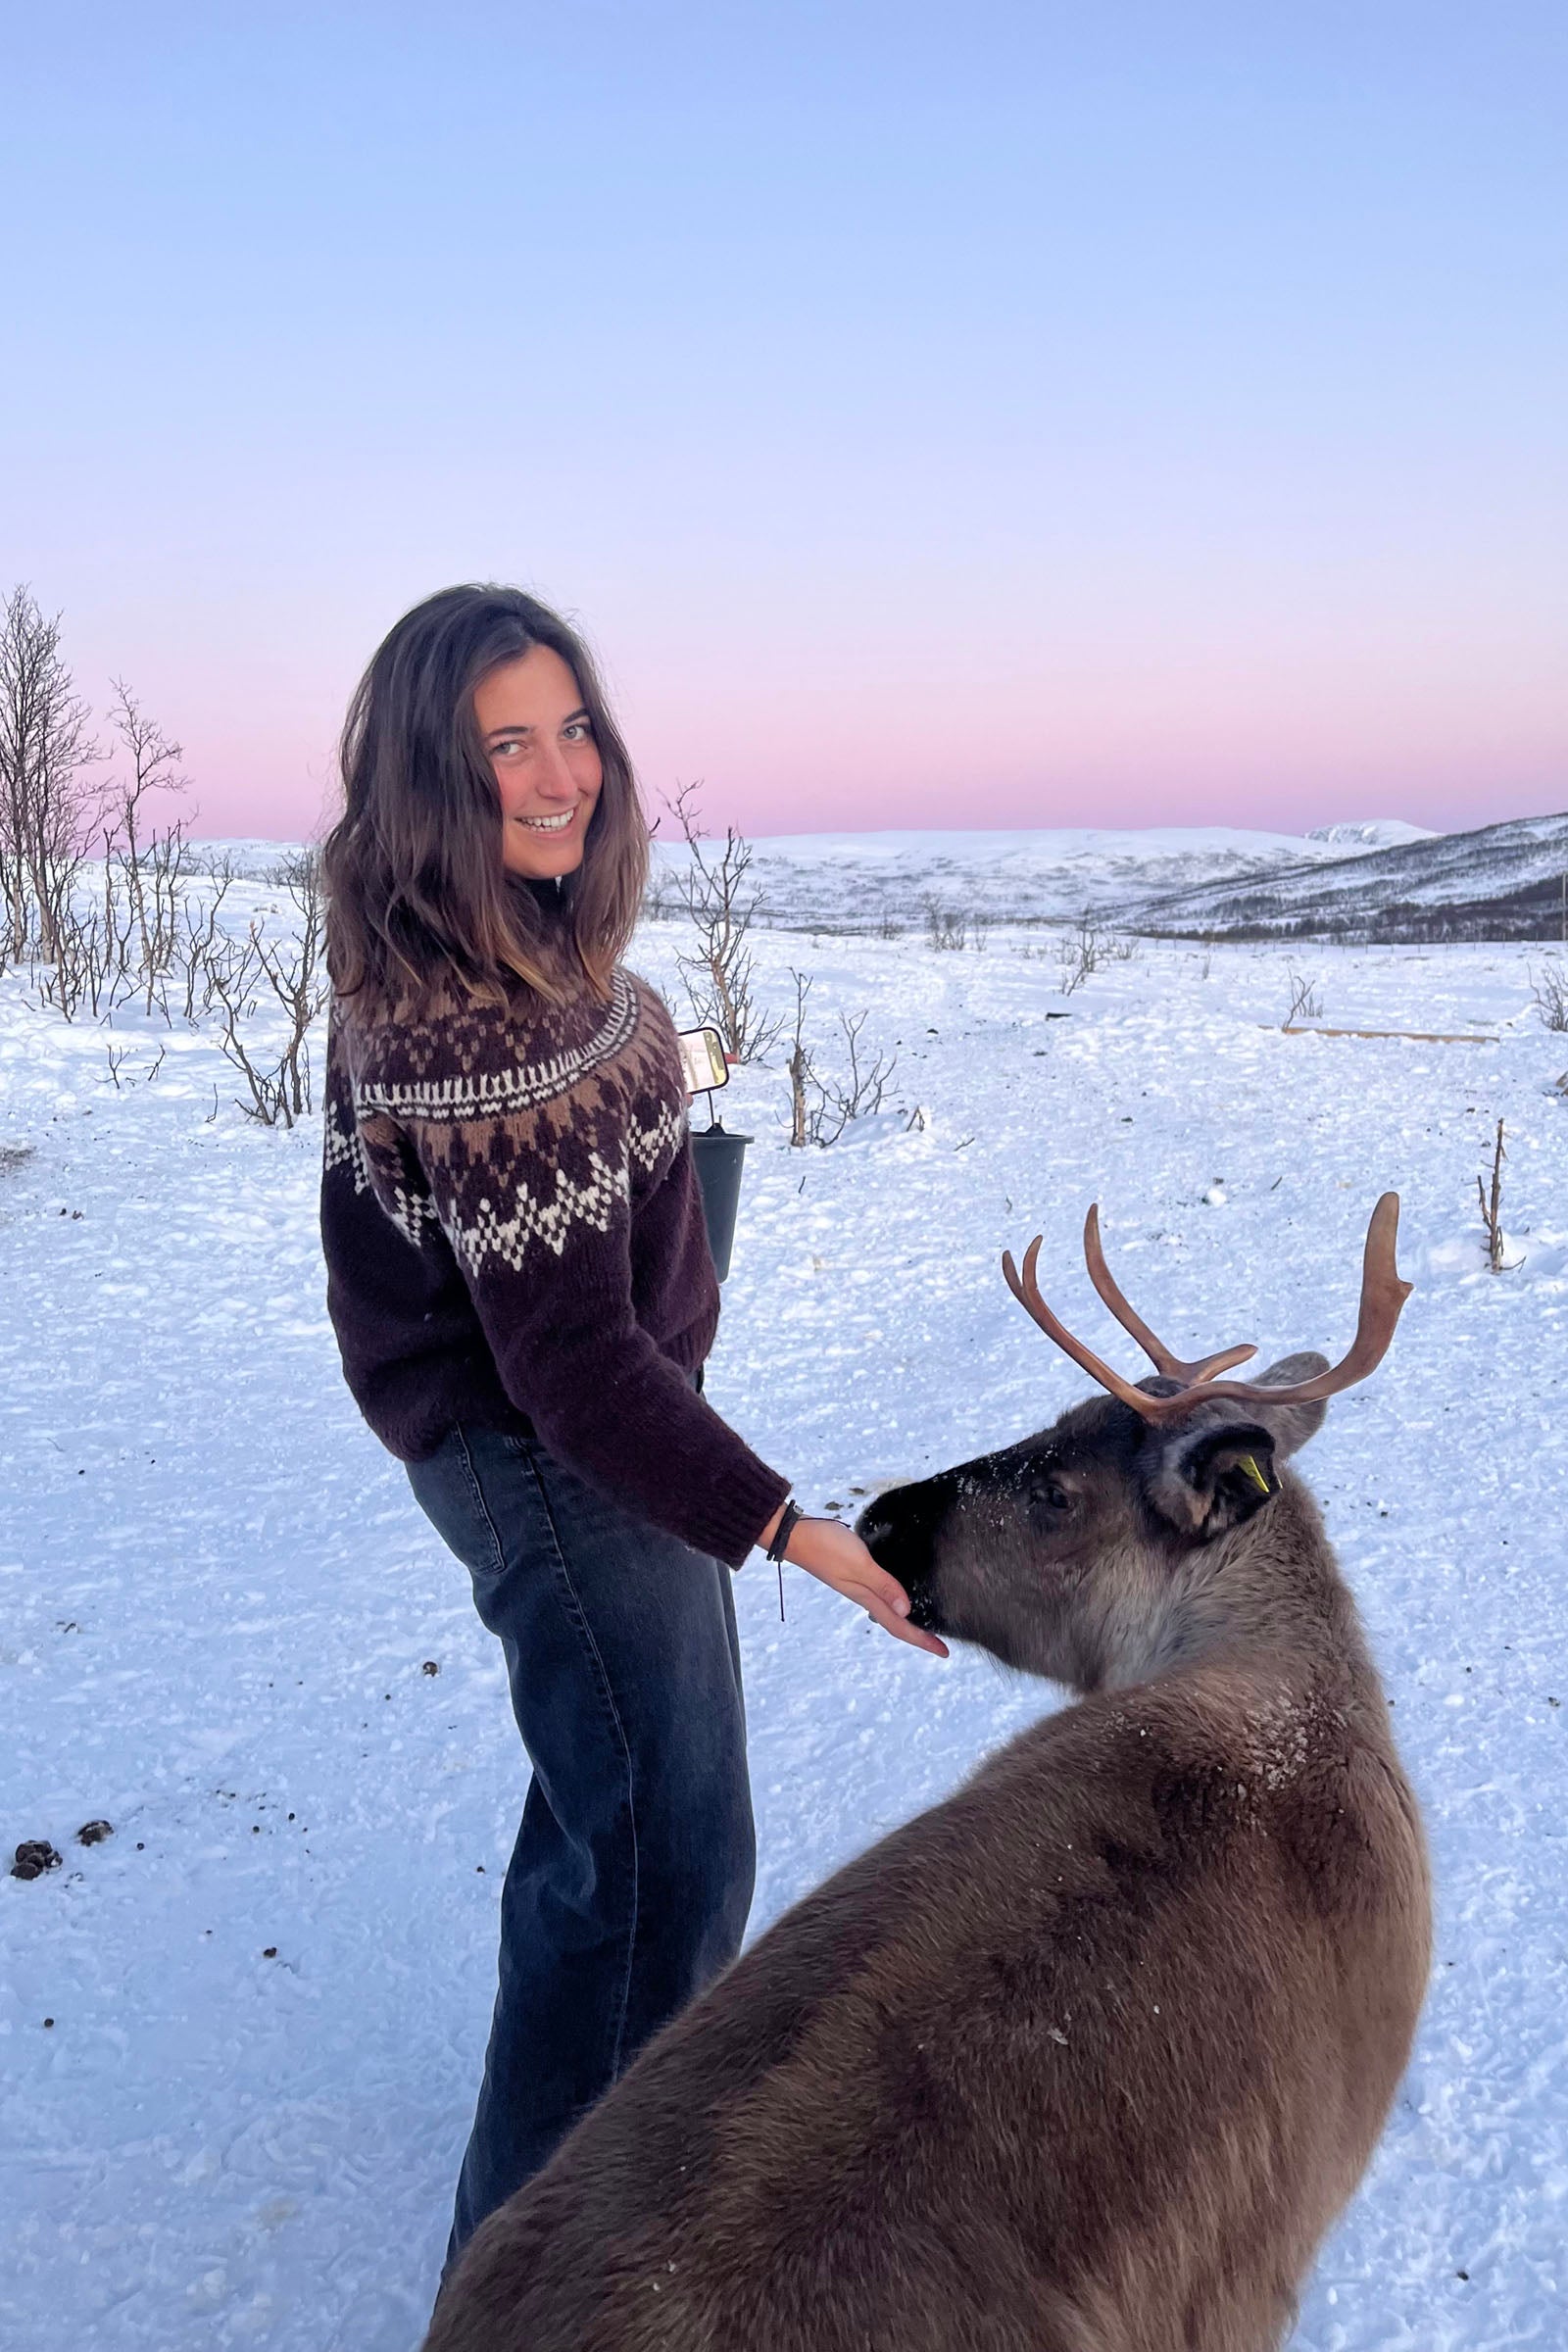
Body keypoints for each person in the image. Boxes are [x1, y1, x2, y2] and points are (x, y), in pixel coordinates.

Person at [318, 583, 946, 2267]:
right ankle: (540, 2278)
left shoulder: (521, 956)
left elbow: (577, 1194)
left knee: (620, 1817)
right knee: (664, 1868)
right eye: (501, 745)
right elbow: (575, 1369)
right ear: (426, 780)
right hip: (557, 1462)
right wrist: (795, 1529)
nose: (557, 774)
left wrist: (660, 1073)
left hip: (583, 1435)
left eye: (572, 726)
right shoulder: (473, 1028)